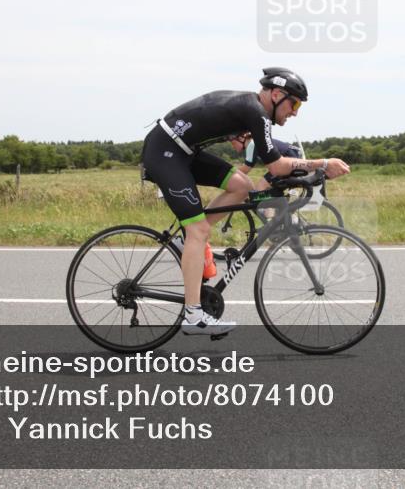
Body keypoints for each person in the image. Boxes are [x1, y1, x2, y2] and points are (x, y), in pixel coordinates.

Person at [140, 68, 351, 336]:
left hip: (184, 151)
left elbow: (273, 165)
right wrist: (322, 163)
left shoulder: (252, 110)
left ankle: (189, 243)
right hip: (166, 152)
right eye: (294, 103)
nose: (295, 112)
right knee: (199, 230)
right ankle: (193, 315)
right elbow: (275, 166)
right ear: (276, 95)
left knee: (242, 185)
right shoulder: (256, 112)